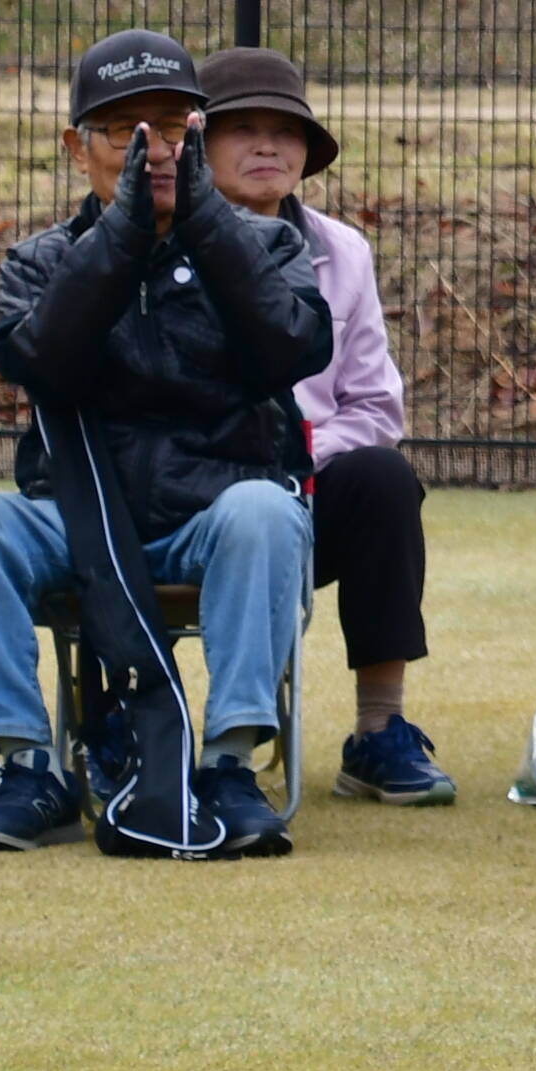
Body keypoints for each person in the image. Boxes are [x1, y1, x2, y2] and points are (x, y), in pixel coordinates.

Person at [0, 30, 333, 859]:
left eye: (176, 129)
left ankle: (227, 767)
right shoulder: (38, 261)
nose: (154, 149)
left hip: (210, 511)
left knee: (267, 511)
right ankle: (29, 767)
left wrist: (204, 221)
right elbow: (41, 358)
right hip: (75, 516)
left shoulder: (267, 244)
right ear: (78, 148)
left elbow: (294, 347)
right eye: (125, 132)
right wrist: (123, 237)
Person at [192, 48, 451, 806]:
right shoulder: (155, 244)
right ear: (199, 145)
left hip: (307, 487)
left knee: (383, 478)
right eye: (242, 129)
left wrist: (297, 455)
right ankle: (129, 721)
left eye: (286, 130)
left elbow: (375, 408)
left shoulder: (343, 251)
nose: (267, 146)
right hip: (184, 493)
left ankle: (379, 729)